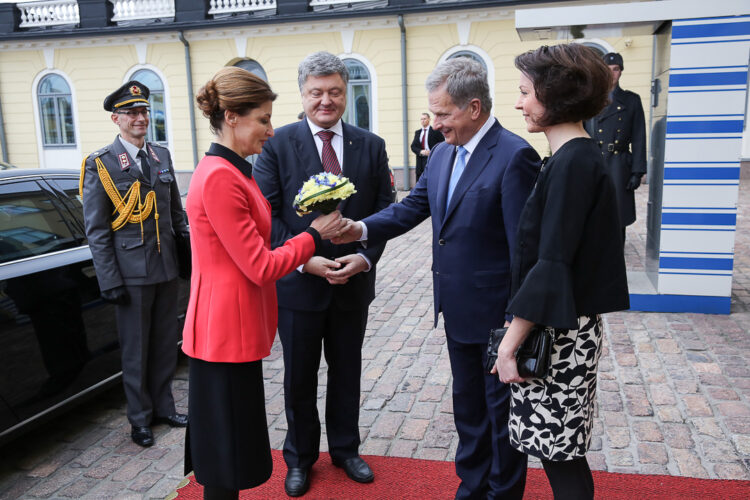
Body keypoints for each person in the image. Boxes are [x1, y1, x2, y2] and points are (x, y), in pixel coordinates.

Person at [334, 57, 540, 500]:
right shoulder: (443, 152)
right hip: (456, 309)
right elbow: (412, 208)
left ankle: (502, 494)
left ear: (474, 107)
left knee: (501, 414)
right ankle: (472, 486)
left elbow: (525, 252)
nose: (437, 124)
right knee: (468, 408)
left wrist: (513, 324)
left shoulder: (514, 155)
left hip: (497, 318)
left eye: (444, 114)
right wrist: (361, 230)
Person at [182, 67, 345, 500]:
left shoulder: (234, 169)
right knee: (223, 457)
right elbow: (258, 265)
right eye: (263, 119)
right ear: (232, 116)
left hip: (232, 330)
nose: (271, 131)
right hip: (222, 333)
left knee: (230, 449)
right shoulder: (220, 175)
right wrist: (313, 235)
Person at [253, 51, 393, 497]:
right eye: (316, 93)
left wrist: (365, 257)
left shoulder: (370, 145)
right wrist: (302, 259)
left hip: (353, 280)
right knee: (298, 376)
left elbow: (386, 213)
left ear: (346, 92)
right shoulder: (276, 144)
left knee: (346, 370)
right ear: (302, 94)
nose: (326, 101)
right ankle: (299, 458)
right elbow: (266, 217)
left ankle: (347, 450)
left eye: (335, 91)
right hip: (298, 283)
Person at [494, 44, 630, 500]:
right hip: (566, 326)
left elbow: (552, 263)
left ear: (556, 95)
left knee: (560, 453)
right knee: (560, 450)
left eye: (526, 92)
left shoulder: (573, 162)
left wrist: (509, 346)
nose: (519, 103)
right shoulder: (576, 158)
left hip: (560, 333)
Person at [81, 80, 189, 448]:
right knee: (135, 350)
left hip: (165, 267)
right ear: (116, 119)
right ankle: (140, 419)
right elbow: (96, 230)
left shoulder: (161, 155)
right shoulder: (102, 164)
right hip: (131, 274)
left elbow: (176, 214)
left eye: (143, 111)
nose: (140, 117)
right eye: (131, 113)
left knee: (164, 344)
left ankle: (164, 407)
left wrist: (186, 255)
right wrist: (109, 279)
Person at [584, 52, 647, 243]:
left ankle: (616, 252)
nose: (611, 74)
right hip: (593, 162)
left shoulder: (631, 100)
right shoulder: (590, 99)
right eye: (607, 70)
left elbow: (638, 137)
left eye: (616, 69)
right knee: (591, 212)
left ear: (621, 72)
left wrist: (637, 171)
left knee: (618, 216)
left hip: (618, 164)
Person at [410, 112, 444, 182]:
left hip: (432, 158)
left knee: (431, 179)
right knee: (420, 181)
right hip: (420, 161)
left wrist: (433, 152)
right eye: (421, 119)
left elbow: (442, 144)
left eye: (424, 119)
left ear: (429, 119)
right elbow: (413, 146)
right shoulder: (418, 132)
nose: (423, 120)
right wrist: (421, 151)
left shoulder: (435, 131)